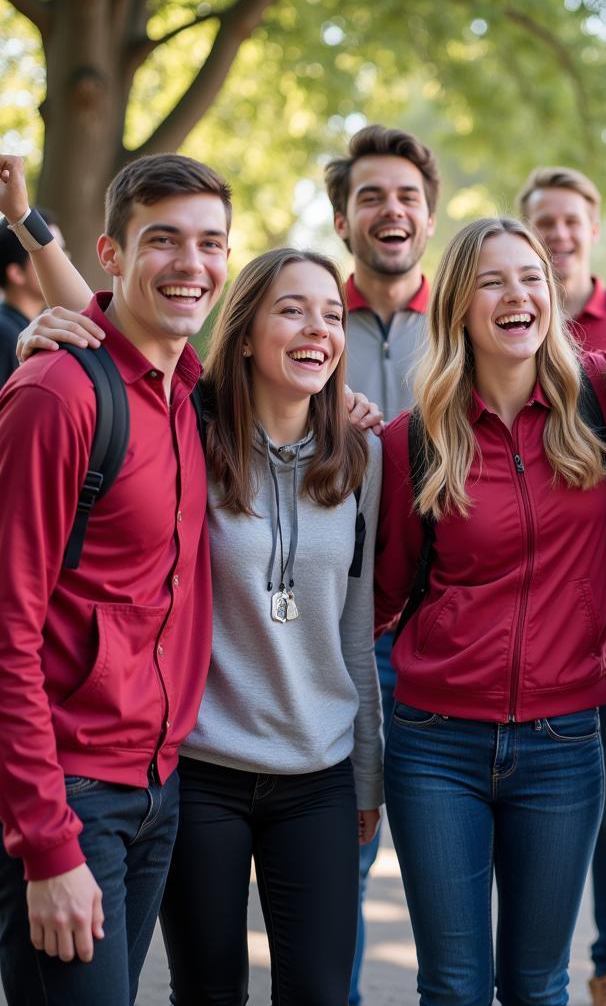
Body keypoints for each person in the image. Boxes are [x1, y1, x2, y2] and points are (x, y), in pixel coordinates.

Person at [374, 216, 606, 1006]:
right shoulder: (410, 440)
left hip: (563, 743)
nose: (516, 294)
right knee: (452, 986)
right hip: (434, 746)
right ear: (457, 308)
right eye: (492, 280)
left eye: (531, 277)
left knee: (537, 984)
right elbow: (380, 598)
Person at [0, 151, 230, 1004]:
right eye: (163, 241)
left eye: (210, 244)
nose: (190, 264)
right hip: (68, 797)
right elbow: (6, 630)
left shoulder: (185, 397)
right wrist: (47, 843)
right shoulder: (58, 394)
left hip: (157, 791)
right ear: (112, 253)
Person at [156, 248, 383, 1004]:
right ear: (245, 333)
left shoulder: (363, 457)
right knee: (208, 990)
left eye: (331, 313)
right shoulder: (188, 433)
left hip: (317, 775)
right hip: (202, 768)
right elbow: (128, 339)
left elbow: (358, 628)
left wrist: (366, 771)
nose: (318, 327)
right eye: (293, 309)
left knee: (320, 992)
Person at [518, 166, 606, 1006]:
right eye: (543, 225)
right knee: (542, 794)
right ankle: (544, 955)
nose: (559, 235)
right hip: (539, 611)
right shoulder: (508, 320)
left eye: (570, 222)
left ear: (591, 230)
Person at [325, 123, 440, 1004]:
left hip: (447, 641)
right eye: (370, 195)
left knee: (453, 888)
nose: (389, 209)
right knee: (339, 877)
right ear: (342, 219)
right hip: (337, 640)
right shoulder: (305, 322)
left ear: (429, 217)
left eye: (405, 195)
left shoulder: (475, 319)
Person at [0, 204, 63, 385]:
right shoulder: (5, 335)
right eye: (47, 252)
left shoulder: (26, 328)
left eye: (60, 251)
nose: (64, 261)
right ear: (16, 273)